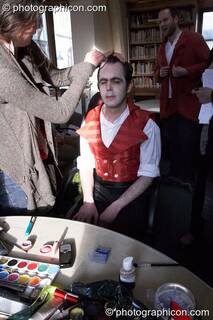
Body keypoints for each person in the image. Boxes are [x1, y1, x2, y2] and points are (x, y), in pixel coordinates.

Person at [0, 0, 105, 215]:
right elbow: (60, 112)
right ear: (12, 22)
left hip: (41, 148)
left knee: (47, 213)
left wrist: (88, 64)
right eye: (32, 22)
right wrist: (87, 68)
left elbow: (55, 76)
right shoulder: (2, 70)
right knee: (28, 224)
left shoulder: (24, 45)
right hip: (16, 168)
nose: (37, 27)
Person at [73, 54, 161, 239]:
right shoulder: (88, 119)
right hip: (98, 191)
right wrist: (88, 202)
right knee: (86, 238)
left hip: (131, 193)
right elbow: (87, 164)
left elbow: (148, 175)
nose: (109, 88)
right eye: (103, 82)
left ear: (128, 86)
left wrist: (116, 207)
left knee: (124, 242)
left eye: (116, 81)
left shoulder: (147, 124)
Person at [155, 7, 210, 182]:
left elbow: (208, 66)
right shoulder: (162, 46)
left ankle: (186, 193)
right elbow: (156, 73)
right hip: (168, 108)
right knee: (172, 150)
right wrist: (159, 74)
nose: (162, 24)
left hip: (188, 107)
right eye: (160, 21)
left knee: (187, 153)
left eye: (165, 20)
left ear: (176, 19)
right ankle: (174, 189)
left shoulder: (194, 39)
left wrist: (186, 71)